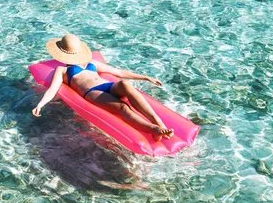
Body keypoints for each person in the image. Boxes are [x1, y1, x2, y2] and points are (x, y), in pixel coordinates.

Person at [32, 34, 174, 140]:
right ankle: (153, 129)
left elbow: (118, 72)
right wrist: (40, 104)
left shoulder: (91, 62)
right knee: (122, 107)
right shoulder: (62, 70)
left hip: (107, 85)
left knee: (125, 84)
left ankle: (159, 122)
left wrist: (146, 77)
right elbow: (53, 89)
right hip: (93, 92)